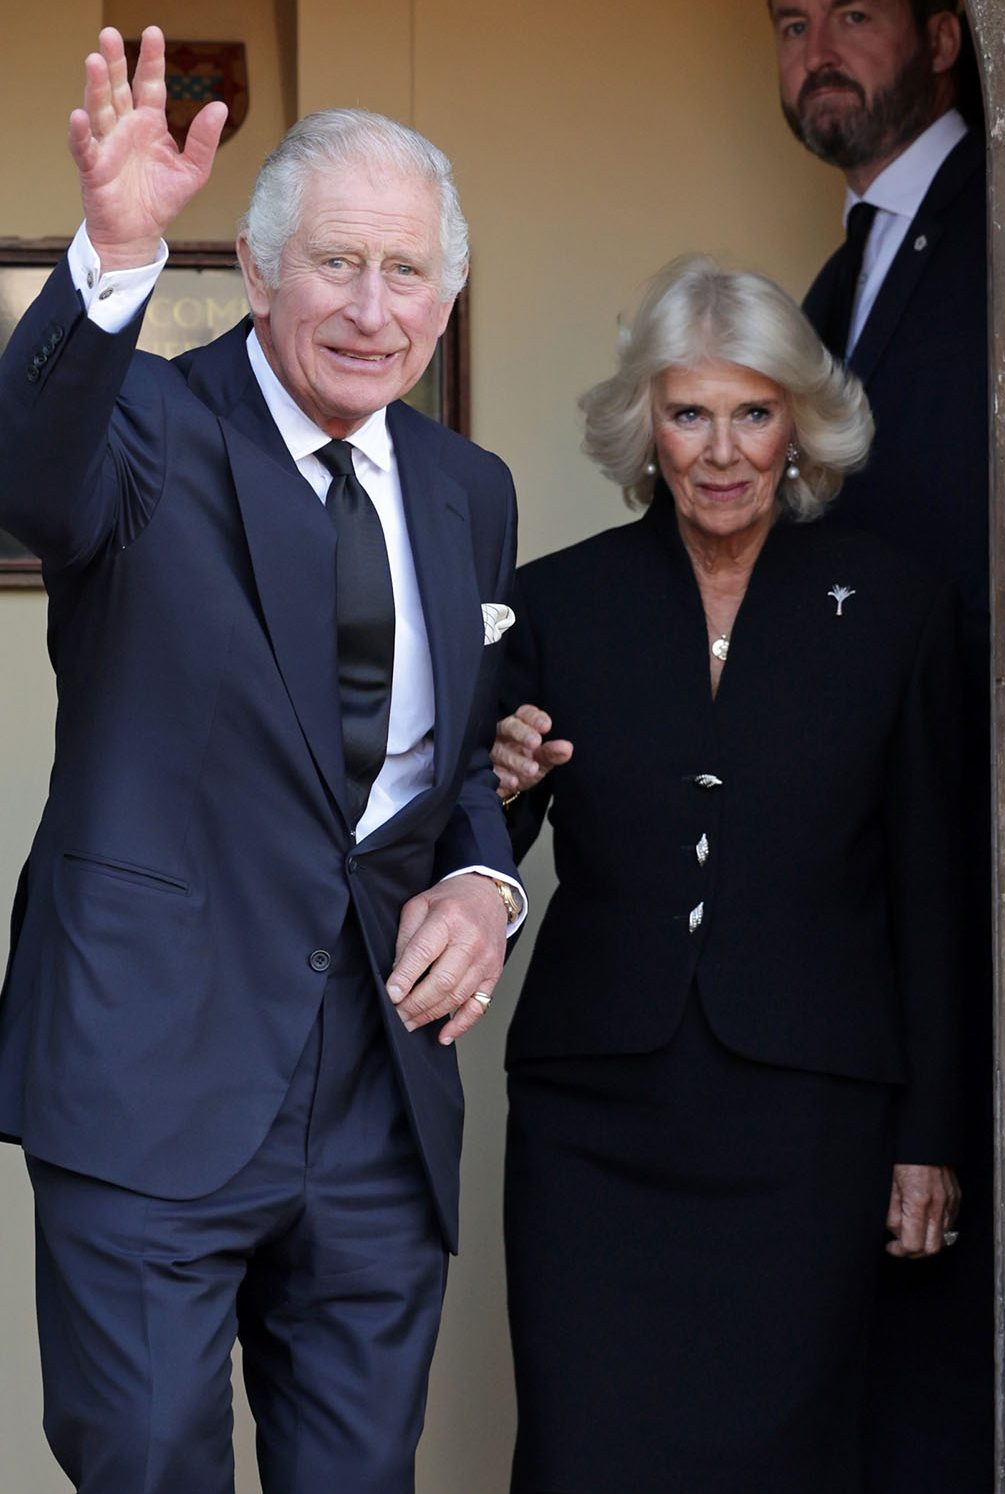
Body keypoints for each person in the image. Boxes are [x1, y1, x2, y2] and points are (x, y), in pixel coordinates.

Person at [0, 25, 524, 1493]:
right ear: (260, 264)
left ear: (447, 291)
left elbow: (450, 765)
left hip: (377, 1100)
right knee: (150, 1464)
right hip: (150, 1074)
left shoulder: (467, 491)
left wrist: (485, 884)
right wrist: (109, 252)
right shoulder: (150, 430)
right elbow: (25, 469)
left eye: (407, 270)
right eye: (336, 264)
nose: (372, 308)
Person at [492, 255, 963, 1493]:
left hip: (807, 1132)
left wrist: (933, 1136)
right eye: (689, 411)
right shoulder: (556, 603)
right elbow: (481, 855)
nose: (720, 450)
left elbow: (934, 890)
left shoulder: (899, 611)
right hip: (596, 1127)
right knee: (585, 1449)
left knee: (791, 1458)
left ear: (799, 424)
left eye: (753, 412)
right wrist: (498, 786)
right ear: (645, 421)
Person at [769, 1, 992, 1480]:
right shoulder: (827, 288)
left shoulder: (985, 232)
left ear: (941, 39)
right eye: (788, 22)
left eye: (850, 12)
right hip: (868, 877)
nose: (814, 46)